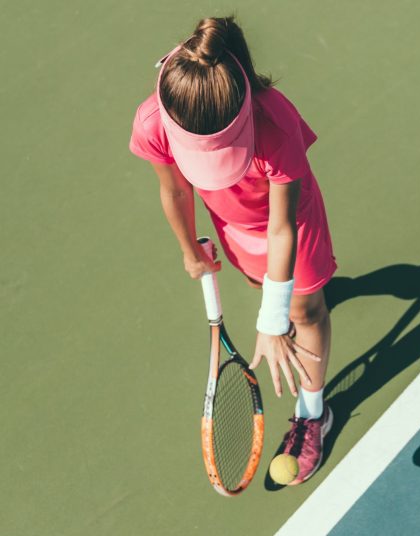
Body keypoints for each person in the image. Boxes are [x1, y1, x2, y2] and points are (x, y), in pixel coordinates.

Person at [128, 15, 335, 485]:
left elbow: (283, 228)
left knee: (304, 311)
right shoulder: (152, 122)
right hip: (232, 225)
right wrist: (188, 248)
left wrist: (273, 317)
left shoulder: (274, 124)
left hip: (289, 223)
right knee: (265, 285)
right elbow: (178, 190)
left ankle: (313, 413)